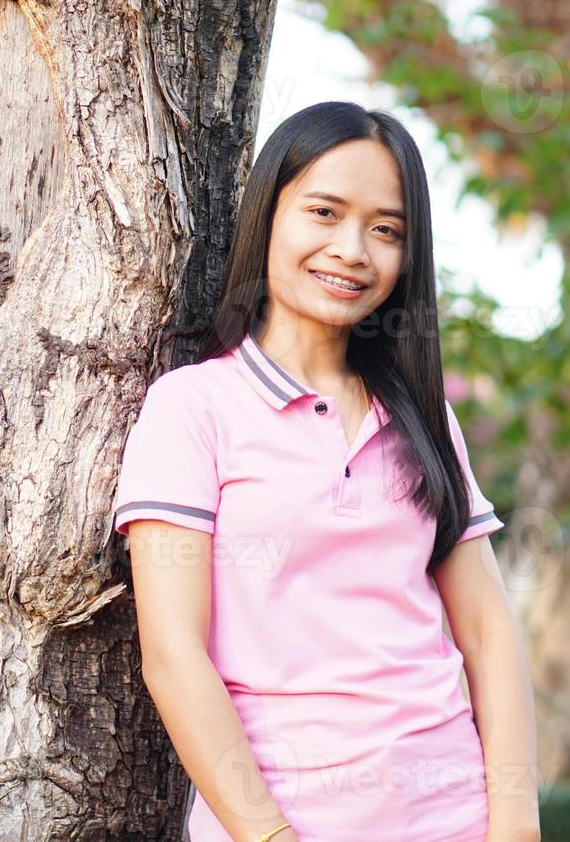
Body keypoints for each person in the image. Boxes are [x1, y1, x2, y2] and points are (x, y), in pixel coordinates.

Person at [111, 102, 541, 842]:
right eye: (324, 212)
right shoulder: (193, 408)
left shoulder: (422, 415)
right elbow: (174, 656)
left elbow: (489, 629)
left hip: (456, 818)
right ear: (267, 216)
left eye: (386, 230)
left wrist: (516, 823)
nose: (353, 250)